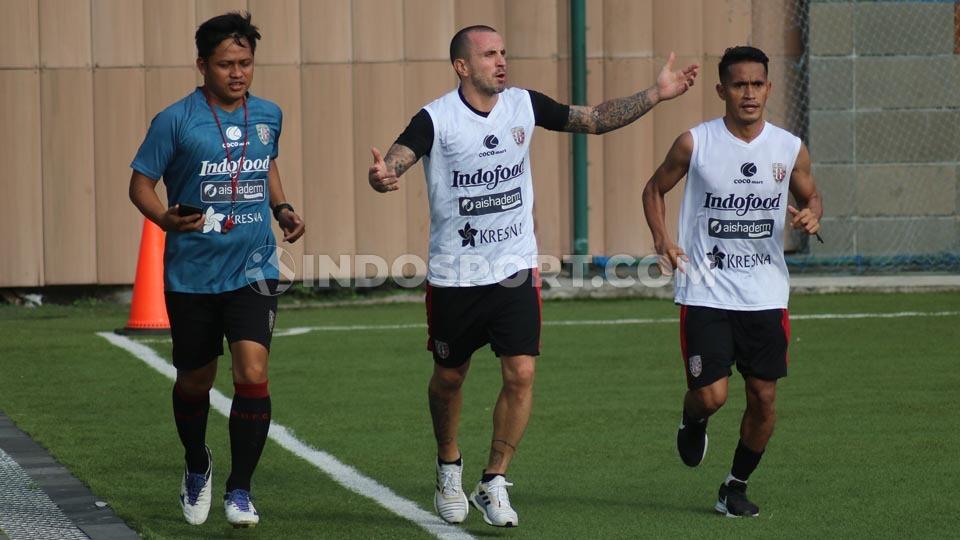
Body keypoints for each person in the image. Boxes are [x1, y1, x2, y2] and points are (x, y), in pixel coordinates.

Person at [368, 25, 698, 527]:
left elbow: (594, 119)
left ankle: (494, 479)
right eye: (489, 55)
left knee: (520, 373)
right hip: (456, 275)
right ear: (462, 66)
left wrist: (656, 93)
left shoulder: (524, 104)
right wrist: (384, 175)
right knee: (449, 378)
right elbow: (397, 159)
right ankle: (448, 466)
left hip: (515, 268)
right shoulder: (435, 119)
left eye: (503, 52)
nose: (501, 61)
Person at [128, 12, 305, 528]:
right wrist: (164, 218)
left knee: (253, 373)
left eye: (245, 63)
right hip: (192, 274)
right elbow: (140, 184)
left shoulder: (269, 114)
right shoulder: (175, 120)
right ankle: (196, 462)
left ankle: (240, 489)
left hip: (253, 268)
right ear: (202, 65)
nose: (237, 73)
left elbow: (265, 162)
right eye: (226, 64)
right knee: (194, 381)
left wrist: (282, 208)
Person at [642, 46, 822, 518]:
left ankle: (734, 487)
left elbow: (812, 195)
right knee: (712, 395)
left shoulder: (789, 148)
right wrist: (663, 240)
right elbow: (654, 189)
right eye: (739, 85)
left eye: (757, 84)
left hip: (765, 293)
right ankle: (693, 417)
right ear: (722, 89)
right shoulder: (695, 143)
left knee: (764, 399)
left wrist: (811, 215)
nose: (749, 93)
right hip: (706, 289)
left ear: (769, 88)